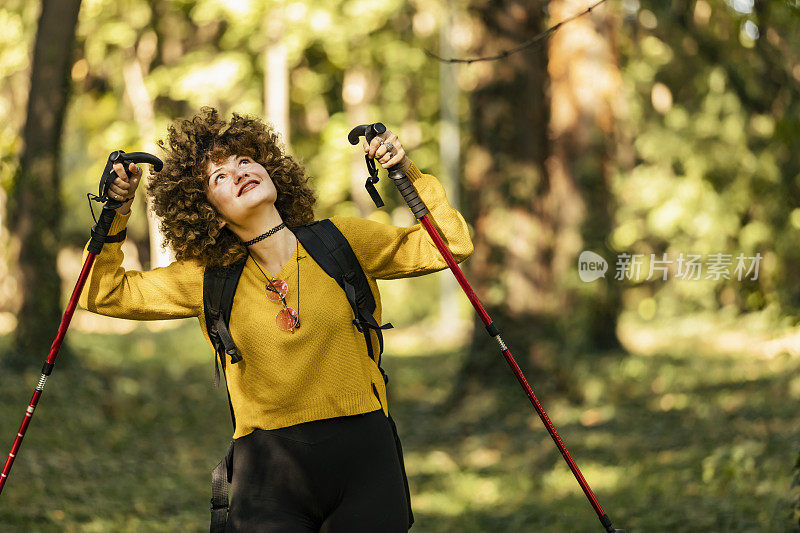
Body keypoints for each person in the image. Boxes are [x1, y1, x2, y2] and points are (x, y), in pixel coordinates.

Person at [79, 106, 473, 532]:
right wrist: (117, 210)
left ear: (270, 170)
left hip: (364, 455)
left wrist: (405, 169)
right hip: (267, 472)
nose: (238, 173)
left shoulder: (340, 241)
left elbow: (449, 244)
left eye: (245, 161)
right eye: (218, 177)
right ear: (204, 208)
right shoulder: (205, 278)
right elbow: (100, 292)